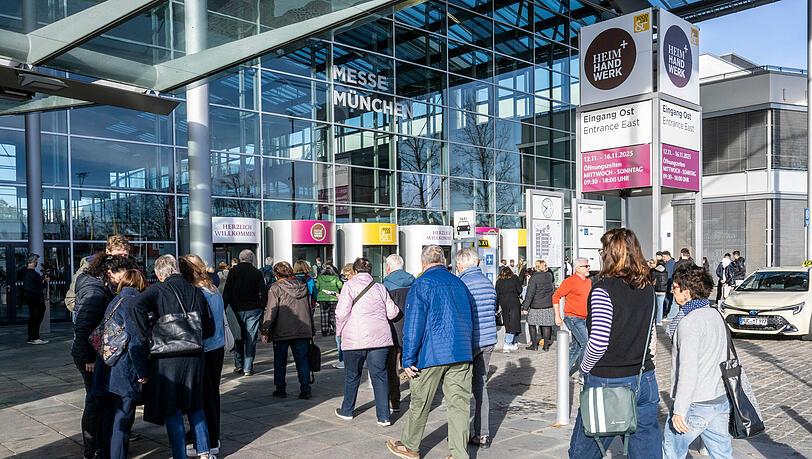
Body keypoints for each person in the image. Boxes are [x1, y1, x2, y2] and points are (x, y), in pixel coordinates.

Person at [569, 228, 661, 458]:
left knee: (583, 451)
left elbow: (599, 342)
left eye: (602, 250)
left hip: (608, 380)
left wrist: (584, 367)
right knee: (646, 452)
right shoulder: (647, 288)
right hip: (644, 378)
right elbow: (649, 336)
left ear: (610, 254)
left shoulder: (603, 290)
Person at [386, 246, 474, 459]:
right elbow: (471, 318)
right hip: (461, 351)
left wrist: (408, 359)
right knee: (459, 404)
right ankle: (459, 453)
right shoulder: (459, 282)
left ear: (422, 262)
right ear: (444, 261)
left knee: (420, 401)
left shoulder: (422, 283)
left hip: (432, 352)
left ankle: (410, 445)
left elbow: (413, 324)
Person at [128, 254, 215, 459]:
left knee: (172, 406)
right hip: (193, 355)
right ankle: (204, 452)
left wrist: (145, 334)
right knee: (195, 403)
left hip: (167, 357)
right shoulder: (195, 291)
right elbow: (209, 327)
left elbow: (134, 306)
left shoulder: (157, 290)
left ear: (159, 274)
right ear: (175, 269)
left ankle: (179, 454)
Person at [662, 265, 733, 459]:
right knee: (722, 454)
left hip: (696, 403)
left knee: (672, 452)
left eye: (675, 287)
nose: (671, 290)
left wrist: (679, 410)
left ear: (687, 292)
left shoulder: (689, 322)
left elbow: (688, 370)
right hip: (719, 397)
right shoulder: (715, 313)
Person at [72, 254, 132, 459]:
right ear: (109, 273)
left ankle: (100, 446)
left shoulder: (99, 287)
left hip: (97, 352)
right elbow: (84, 325)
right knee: (95, 402)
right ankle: (92, 450)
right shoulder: (95, 291)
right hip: (91, 354)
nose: (125, 277)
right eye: (122, 272)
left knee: (99, 400)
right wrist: (88, 357)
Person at [334, 258, 400, 425]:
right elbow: (392, 313)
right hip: (380, 339)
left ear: (355, 272)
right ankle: (384, 416)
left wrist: (340, 332)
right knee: (380, 376)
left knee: (352, 375)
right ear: (370, 271)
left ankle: (347, 410)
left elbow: (341, 313)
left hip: (354, 339)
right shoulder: (380, 287)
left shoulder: (349, 286)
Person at [91, 268, 146, 459]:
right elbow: (136, 342)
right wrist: (142, 372)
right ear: (140, 284)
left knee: (109, 418)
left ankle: (106, 454)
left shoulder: (115, 300)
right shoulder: (134, 303)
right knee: (122, 421)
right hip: (123, 370)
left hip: (107, 366)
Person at [180, 255, 226, 457]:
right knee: (212, 394)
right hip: (217, 345)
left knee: (204, 396)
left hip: (206, 347)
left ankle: (209, 440)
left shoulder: (198, 291)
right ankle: (212, 436)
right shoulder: (211, 287)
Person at [455, 247, 497, 449]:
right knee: (480, 386)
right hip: (488, 340)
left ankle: (459, 434)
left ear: (460, 265)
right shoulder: (488, 284)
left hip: (468, 342)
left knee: (460, 387)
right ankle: (483, 434)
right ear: (478, 263)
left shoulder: (461, 284)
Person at [261, 261, 315, 399]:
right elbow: (309, 309)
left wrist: (265, 330)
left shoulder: (275, 288)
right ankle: (305, 389)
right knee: (302, 360)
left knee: (280, 360)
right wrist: (312, 329)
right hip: (302, 328)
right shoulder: (303, 285)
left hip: (281, 330)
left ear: (276, 274)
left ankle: (280, 389)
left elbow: (271, 310)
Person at [223, 249, 267, 376]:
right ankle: (248, 367)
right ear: (251, 259)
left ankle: (238, 364)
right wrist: (262, 306)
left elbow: (227, 290)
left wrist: (225, 306)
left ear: (240, 258)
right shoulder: (257, 273)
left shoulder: (233, 271)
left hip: (236, 309)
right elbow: (263, 291)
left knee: (238, 336)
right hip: (253, 309)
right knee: (250, 338)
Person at [65, 235, 131, 314]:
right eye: (119, 255)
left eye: (125, 255)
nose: (123, 259)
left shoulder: (131, 267)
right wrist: (91, 309)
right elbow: (70, 300)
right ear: (107, 252)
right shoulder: (90, 268)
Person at [383, 254, 413, 412]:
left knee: (392, 368)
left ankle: (394, 402)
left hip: (392, 330)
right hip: (411, 330)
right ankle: (417, 400)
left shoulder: (386, 284)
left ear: (388, 268)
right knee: (412, 365)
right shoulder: (413, 281)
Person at [552, 257, 592, 379]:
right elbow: (556, 296)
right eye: (586, 266)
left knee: (577, 347)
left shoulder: (589, 281)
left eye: (588, 265)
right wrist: (557, 316)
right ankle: (583, 375)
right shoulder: (570, 281)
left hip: (585, 318)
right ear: (578, 268)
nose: (588, 268)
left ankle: (563, 373)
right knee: (586, 343)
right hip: (573, 318)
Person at [522, 260, 555, 351]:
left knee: (532, 324)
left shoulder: (534, 278)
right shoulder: (549, 276)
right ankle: (546, 346)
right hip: (548, 304)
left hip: (535, 306)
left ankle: (534, 345)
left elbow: (530, 293)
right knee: (546, 325)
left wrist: (525, 307)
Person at [333, 263, 356, 369]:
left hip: (349, 318)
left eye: (347, 275)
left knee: (340, 339)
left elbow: (343, 310)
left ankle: (343, 360)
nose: (346, 278)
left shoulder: (349, 285)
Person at [22, 253, 49, 345]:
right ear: (33, 261)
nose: (37, 262)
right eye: (36, 260)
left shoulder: (26, 273)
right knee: (37, 319)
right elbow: (40, 286)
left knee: (32, 319)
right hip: (36, 299)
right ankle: (35, 338)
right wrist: (45, 281)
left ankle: (31, 338)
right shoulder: (33, 274)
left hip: (31, 299)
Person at [495, 266, 523, 352]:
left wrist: (496, 307)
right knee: (514, 321)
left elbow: (496, 294)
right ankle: (508, 343)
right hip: (514, 301)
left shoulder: (499, 281)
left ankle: (511, 342)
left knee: (507, 321)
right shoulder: (514, 278)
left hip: (504, 303)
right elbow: (519, 290)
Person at [315, 263, 343, 336]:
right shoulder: (336, 278)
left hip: (322, 299)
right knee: (333, 314)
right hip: (333, 298)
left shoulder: (320, 278)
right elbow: (340, 286)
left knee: (324, 315)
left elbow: (316, 287)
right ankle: (333, 330)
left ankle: (324, 331)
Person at [650, 258, 669, 326]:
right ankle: (659, 321)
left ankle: (654, 320)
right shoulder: (666, 272)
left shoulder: (653, 271)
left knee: (654, 306)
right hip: (663, 291)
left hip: (655, 290)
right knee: (660, 306)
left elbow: (651, 280)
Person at [662, 250, 676, 319]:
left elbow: (669, 274)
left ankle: (666, 312)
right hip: (669, 282)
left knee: (668, 299)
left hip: (669, 282)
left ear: (668, 256)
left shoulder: (670, 263)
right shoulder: (671, 263)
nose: (663, 258)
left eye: (664, 256)